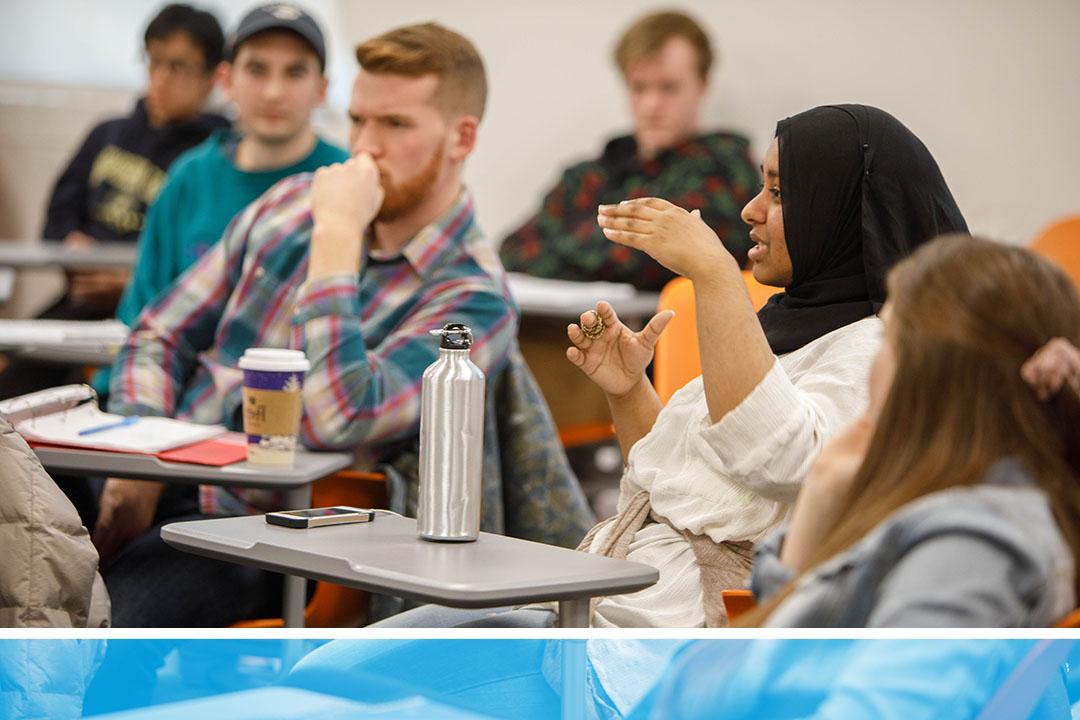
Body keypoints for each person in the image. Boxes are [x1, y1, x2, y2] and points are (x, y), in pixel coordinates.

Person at [96, 22, 585, 627]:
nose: (365, 148)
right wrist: (140, 457)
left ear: (461, 138)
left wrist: (336, 242)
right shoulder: (288, 205)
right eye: (358, 120)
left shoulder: (472, 296)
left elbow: (335, 418)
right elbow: (158, 333)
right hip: (163, 472)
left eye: (395, 125)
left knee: (112, 614)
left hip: (266, 532)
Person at [743, 236, 1080, 628]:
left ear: (936, 371)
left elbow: (811, 662)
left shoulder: (966, 548)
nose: (871, 364)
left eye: (886, 338)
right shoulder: (952, 509)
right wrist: (820, 497)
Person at [92, 2, 348, 395]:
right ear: (226, 80)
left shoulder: (345, 182)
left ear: (322, 89)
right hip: (177, 402)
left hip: (298, 403)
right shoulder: (190, 177)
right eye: (257, 70)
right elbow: (141, 316)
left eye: (295, 72)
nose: (274, 92)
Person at [0, 3, 227, 399]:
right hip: (80, 301)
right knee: (15, 382)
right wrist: (71, 247)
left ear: (212, 77)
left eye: (178, 66)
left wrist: (133, 282)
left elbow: (201, 253)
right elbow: (59, 212)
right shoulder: (107, 134)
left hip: (150, 312)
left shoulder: (211, 158)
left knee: (88, 397)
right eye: (154, 61)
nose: (161, 78)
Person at [498, 10, 758, 290]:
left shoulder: (723, 168)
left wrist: (562, 243)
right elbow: (512, 252)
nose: (651, 105)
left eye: (668, 88)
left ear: (702, 86)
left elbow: (651, 261)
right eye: (638, 88)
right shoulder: (588, 176)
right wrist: (612, 244)